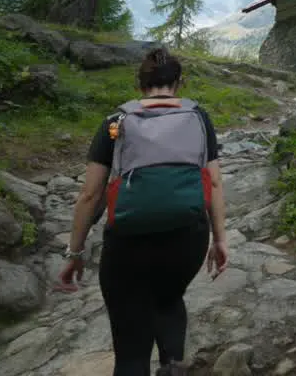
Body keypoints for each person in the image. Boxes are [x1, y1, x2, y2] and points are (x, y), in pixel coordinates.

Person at [58, 47, 230, 376]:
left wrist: (75, 252)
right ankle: (172, 366)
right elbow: (216, 183)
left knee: (131, 346)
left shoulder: (115, 121)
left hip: (128, 242)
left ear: (140, 85)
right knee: (169, 299)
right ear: (179, 83)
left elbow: (90, 194)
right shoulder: (199, 116)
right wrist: (220, 240)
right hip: (187, 236)